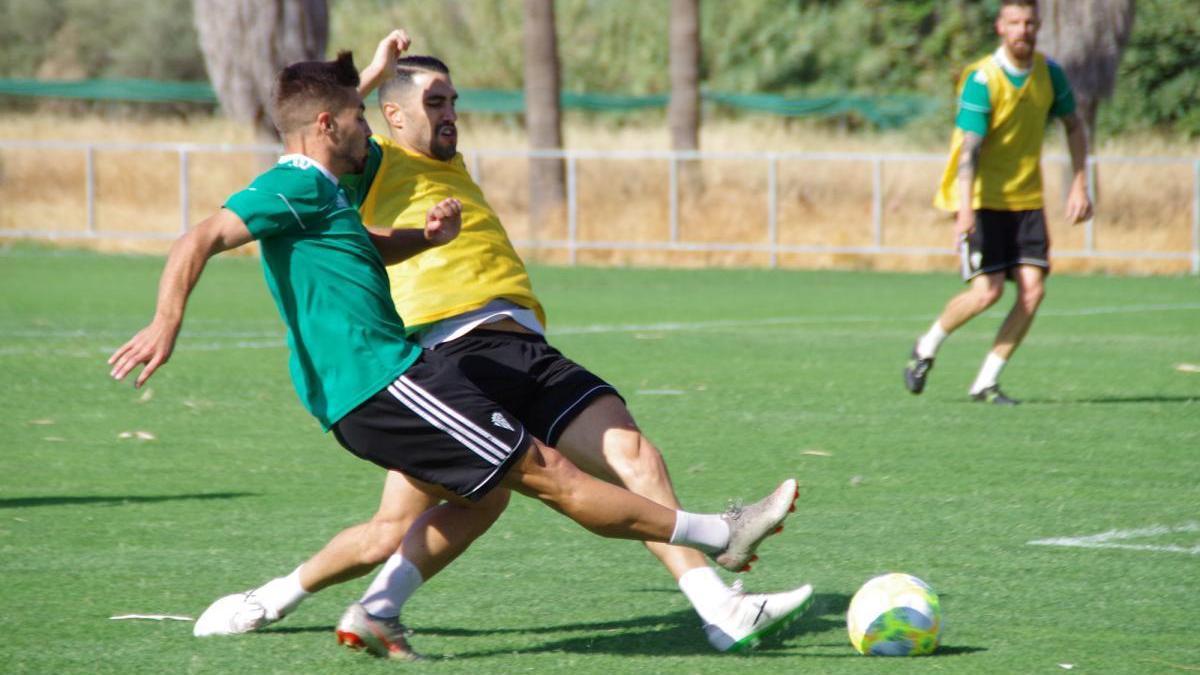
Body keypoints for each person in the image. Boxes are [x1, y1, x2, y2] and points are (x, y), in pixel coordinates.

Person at [108, 49, 800, 659]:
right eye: (431, 102)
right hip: (431, 360)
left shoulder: (359, 184)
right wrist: (166, 320)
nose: (449, 111)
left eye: (452, 100)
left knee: (523, 487)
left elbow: (351, 214)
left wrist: (425, 237)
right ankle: (721, 533)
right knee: (533, 480)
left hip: (508, 348)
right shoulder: (354, 166)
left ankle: (340, 606)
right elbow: (213, 223)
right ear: (380, 118)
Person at [904, 0, 1093, 404]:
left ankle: (985, 382)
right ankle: (925, 347)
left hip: (1026, 201)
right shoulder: (983, 79)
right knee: (986, 293)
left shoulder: (1049, 74)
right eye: (1014, 22)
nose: (1022, 29)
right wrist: (966, 209)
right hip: (982, 200)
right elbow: (970, 150)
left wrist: (1079, 184)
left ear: (1038, 26)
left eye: (1029, 22)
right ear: (999, 27)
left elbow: (1074, 127)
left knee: (1032, 291)